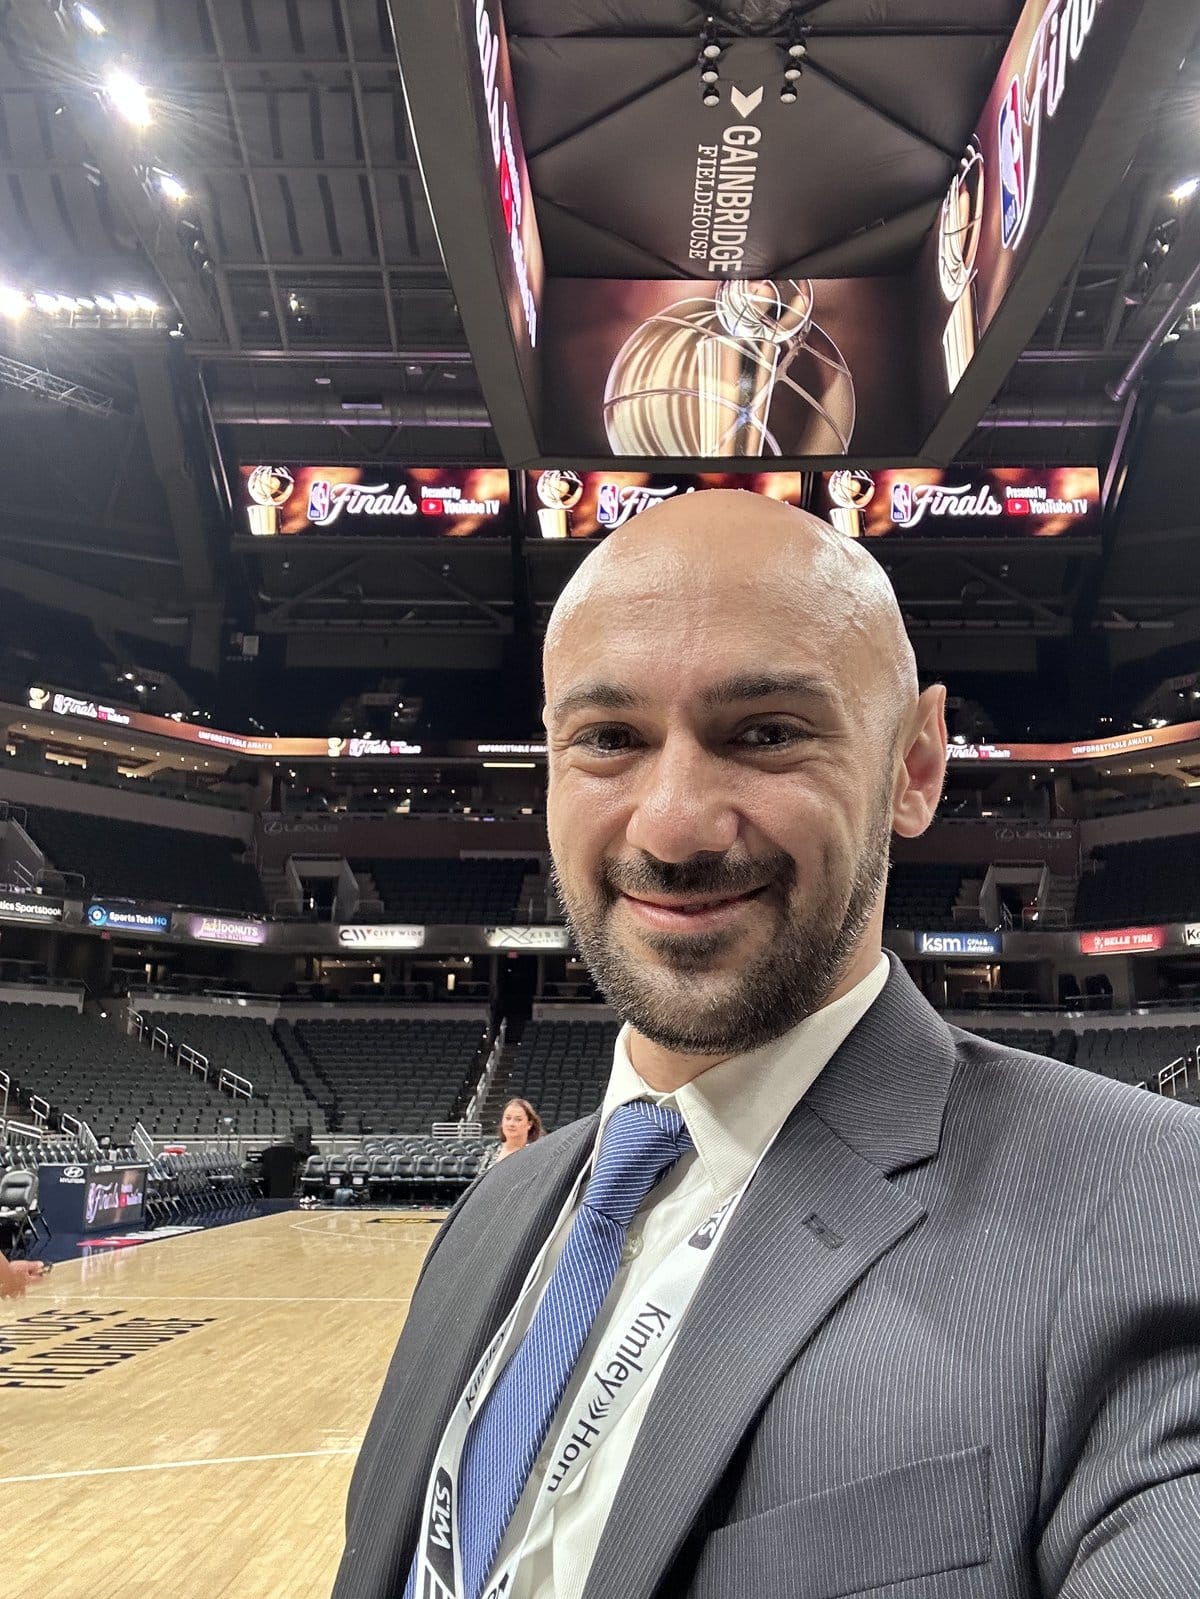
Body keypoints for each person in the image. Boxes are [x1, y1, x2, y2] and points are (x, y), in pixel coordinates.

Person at [334, 491, 1200, 1599]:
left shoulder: (1147, 1207)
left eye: (768, 733)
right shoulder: (493, 1219)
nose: (674, 824)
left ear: (916, 767)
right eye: (609, 740)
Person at [490, 1098, 544, 1164]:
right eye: (508, 1118)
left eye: (518, 1119)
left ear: (529, 1124)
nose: (511, 1124)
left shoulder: (536, 1155)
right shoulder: (491, 1151)